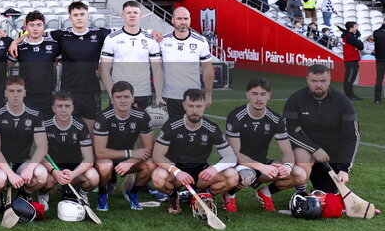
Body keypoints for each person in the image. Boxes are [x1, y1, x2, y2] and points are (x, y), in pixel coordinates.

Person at [150, 88, 239, 214]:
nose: (195, 110)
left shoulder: (211, 128)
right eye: (191, 106)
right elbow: (158, 155)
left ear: (205, 106)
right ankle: (174, 196)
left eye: (199, 106)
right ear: (184, 106)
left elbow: (231, 157)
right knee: (158, 177)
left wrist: (214, 168)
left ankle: (203, 195)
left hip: (201, 172)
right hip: (177, 171)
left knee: (232, 176)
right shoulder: (172, 126)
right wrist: (176, 172)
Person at [224, 78, 303, 213]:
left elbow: (287, 152)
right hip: (237, 164)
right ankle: (229, 195)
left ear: (269, 96)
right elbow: (235, 154)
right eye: (254, 93)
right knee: (247, 175)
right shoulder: (236, 117)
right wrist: (261, 166)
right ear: (247, 94)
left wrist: (288, 166)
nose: (259, 98)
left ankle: (265, 193)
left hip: (262, 163)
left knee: (299, 174)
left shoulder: (275, 119)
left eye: (263, 94)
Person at [283, 64, 359, 194]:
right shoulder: (296, 99)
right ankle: (301, 191)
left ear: (330, 79)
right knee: (302, 156)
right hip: (307, 152)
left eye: (323, 81)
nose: (318, 85)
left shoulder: (343, 102)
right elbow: (286, 131)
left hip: (331, 158)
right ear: (307, 79)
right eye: (314, 81)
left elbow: (352, 137)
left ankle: (320, 186)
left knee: (327, 193)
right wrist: (314, 149)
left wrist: (344, 168)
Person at [0, 76, 50, 210]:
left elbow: (42, 146)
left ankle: (24, 193)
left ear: (24, 92)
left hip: (23, 161)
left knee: (42, 175)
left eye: (19, 91)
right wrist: (10, 174)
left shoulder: (34, 114)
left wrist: (29, 169)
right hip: (1, 163)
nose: (15, 95)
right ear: (5, 93)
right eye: (11, 91)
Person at [92, 81, 156, 211]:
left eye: (126, 97)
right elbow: (100, 152)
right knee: (105, 165)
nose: (122, 101)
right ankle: (103, 193)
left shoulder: (142, 116)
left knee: (152, 163)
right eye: (118, 97)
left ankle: (133, 192)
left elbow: (149, 148)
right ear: (112, 98)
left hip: (127, 159)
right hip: (106, 158)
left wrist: (130, 162)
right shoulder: (103, 117)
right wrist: (131, 154)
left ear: (132, 98)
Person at [46, 1, 111, 127]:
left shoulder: (100, 33)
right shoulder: (61, 34)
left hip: (92, 92)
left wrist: (106, 67)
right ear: (70, 18)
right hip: (69, 91)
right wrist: (16, 41)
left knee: (91, 133)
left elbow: (124, 36)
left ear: (88, 16)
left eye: (82, 14)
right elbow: (35, 35)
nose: (79, 17)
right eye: (76, 15)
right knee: (70, 132)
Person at [100, 1, 162, 109]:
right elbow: (104, 69)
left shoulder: (151, 39)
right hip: (119, 94)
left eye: (135, 12)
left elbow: (157, 70)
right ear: (122, 15)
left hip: (143, 93)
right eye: (128, 12)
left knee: (143, 126)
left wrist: (159, 95)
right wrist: (112, 95)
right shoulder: (112, 38)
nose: (132, 15)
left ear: (140, 14)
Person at [156, 7, 214, 123]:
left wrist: (208, 94)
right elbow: (157, 70)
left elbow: (207, 68)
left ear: (190, 20)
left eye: (186, 18)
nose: (183, 22)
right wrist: (158, 95)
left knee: (193, 134)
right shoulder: (162, 41)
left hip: (194, 98)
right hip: (170, 98)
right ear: (172, 20)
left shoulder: (200, 41)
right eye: (179, 18)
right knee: (172, 135)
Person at [10, 10, 59, 115]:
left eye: (39, 25)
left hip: (47, 97)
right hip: (26, 97)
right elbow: (3, 66)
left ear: (43, 26)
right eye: (32, 25)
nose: (35, 28)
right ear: (26, 27)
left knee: (47, 129)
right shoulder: (19, 47)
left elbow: (70, 63)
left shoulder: (54, 46)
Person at [340, 21, 364, 99]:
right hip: (351, 59)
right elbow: (361, 46)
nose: (357, 28)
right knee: (350, 77)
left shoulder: (347, 36)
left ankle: (349, 94)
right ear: (351, 28)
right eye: (355, 26)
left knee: (349, 77)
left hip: (350, 59)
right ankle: (349, 94)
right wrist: (359, 42)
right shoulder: (350, 37)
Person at [367, 18, 385, 103]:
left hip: (380, 59)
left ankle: (377, 99)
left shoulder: (376, 32)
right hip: (380, 58)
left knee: (379, 79)